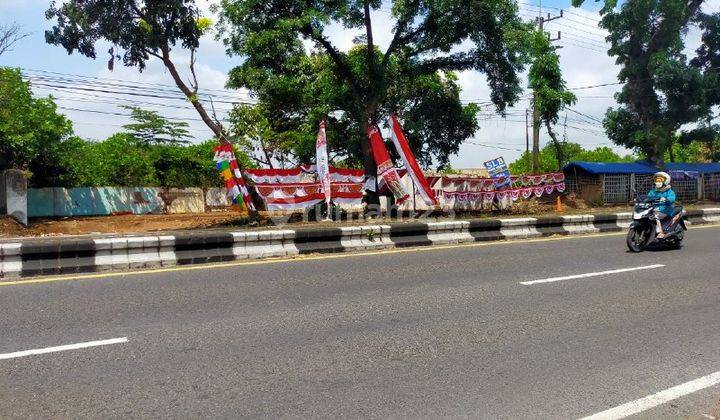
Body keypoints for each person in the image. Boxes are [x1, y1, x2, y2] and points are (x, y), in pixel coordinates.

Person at [647, 171, 676, 238]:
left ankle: (661, 232)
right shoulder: (653, 191)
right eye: (656, 180)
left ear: (665, 181)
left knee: (656, 215)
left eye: (660, 180)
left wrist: (667, 199)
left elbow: (672, 198)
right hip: (654, 209)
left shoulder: (669, 191)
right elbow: (648, 197)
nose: (658, 182)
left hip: (665, 210)